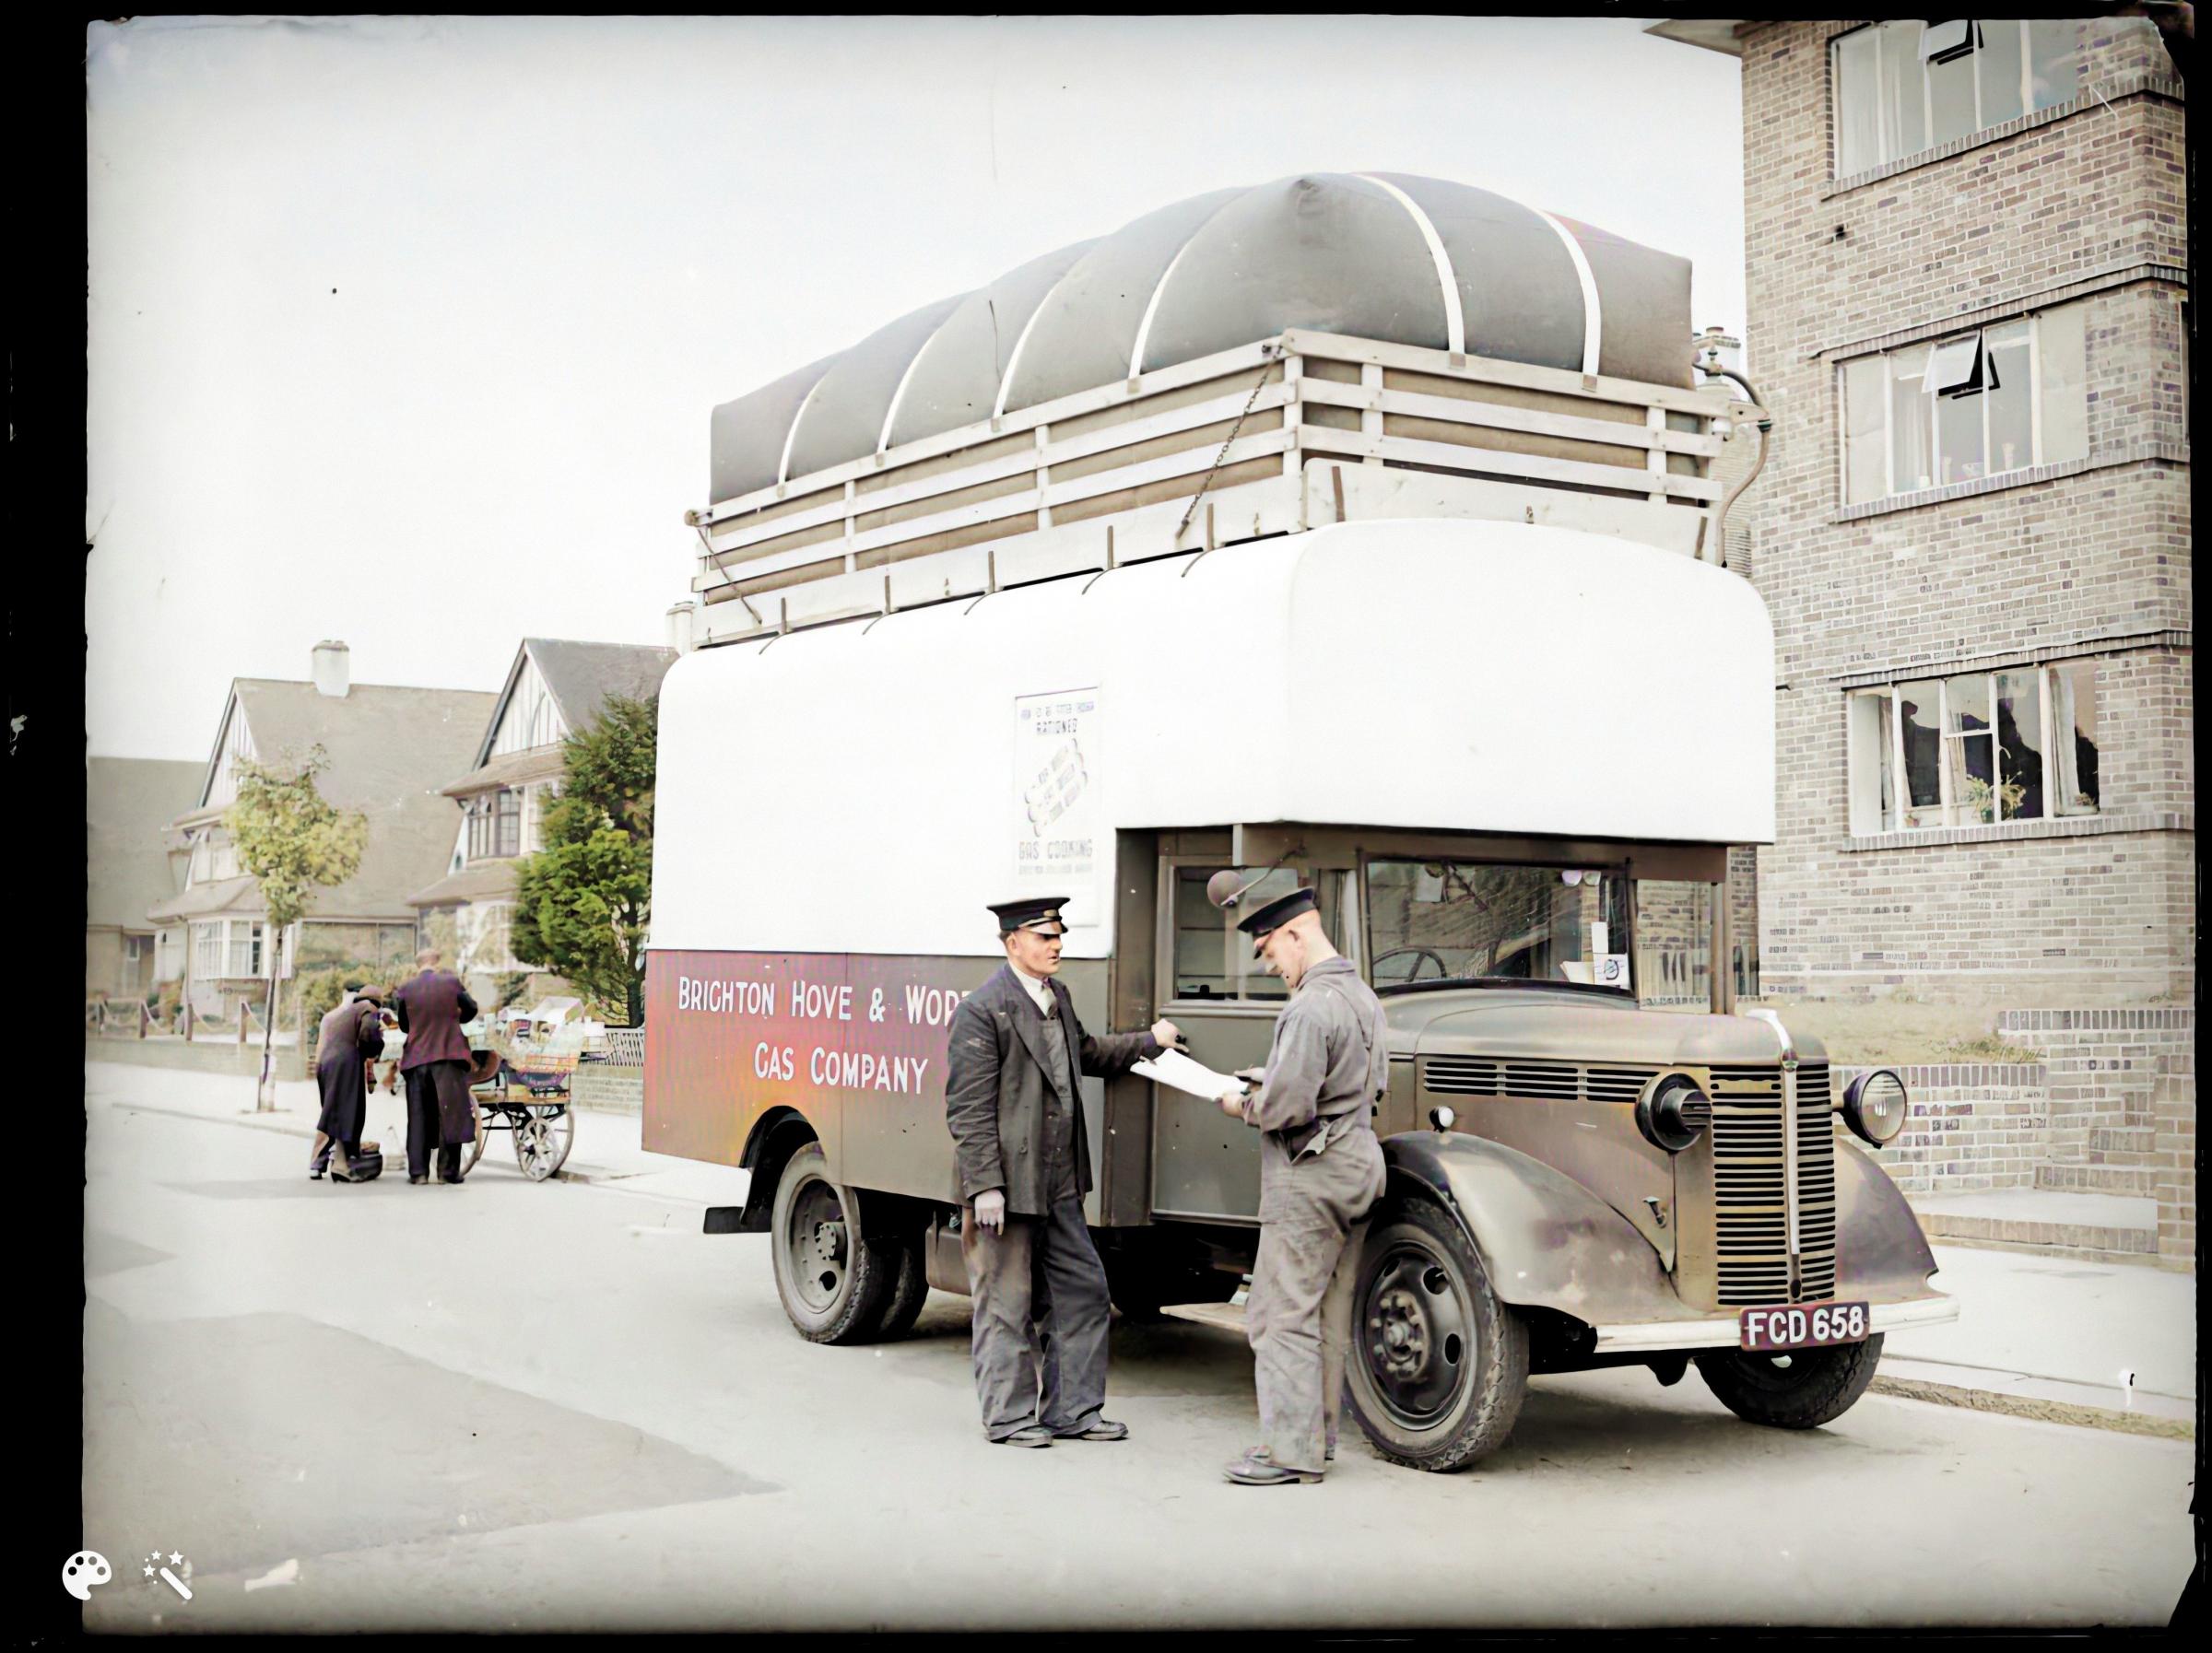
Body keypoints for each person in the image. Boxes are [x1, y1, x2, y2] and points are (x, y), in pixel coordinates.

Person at [944, 896, 1182, 1448]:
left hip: (1060, 1185)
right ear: (1012, 943)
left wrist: (1149, 1043)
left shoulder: (1056, 997)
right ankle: (1008, 1417)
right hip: (1007, 1188)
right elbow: (968, 1109)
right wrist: (985, 1187)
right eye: (1044, 936)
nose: (1057, 945)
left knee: (1084, 1292)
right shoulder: (982, 1009)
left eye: (1058, 935)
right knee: (1006, 1305)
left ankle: (1073, 1411)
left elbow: (1086, 1054)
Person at [1210, 884, 1389, 1486]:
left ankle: (1288, 1452)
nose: (1270, 966)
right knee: (1328, 1315)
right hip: (1359, 1162)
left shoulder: (1310, 1006)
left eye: (1269, 953)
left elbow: (1287, 1108)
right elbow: (1364, 1082)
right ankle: (1318, 1441)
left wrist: (1241, 1102)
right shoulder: (1362, 996)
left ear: (1295, 934)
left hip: (1310, 1172)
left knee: (1279, 1314)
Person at [392, 948, 479, 1185]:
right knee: (450, 1115)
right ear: (436, 963)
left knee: (418, 1116)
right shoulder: (450, 983)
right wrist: (453, 1017)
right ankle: (447, 1172)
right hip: (448, 1055)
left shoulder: (406, 989)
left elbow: (403, 1025)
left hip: (416, 1059)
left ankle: (418, 1173)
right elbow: (471, 1009)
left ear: (418, 964)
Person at [310, 980, 385, 1181]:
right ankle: (341, 1165)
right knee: (347, 1112)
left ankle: (338, 1162)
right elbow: (369, 1036)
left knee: (338, 1111)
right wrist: (377, 1046)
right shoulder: (368, 1009)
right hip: (346, 1064)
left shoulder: (342, 1013)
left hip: (327, 1064)